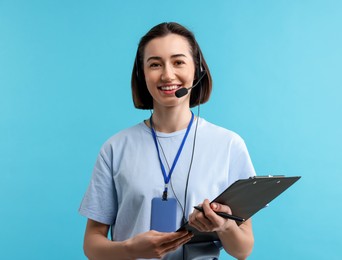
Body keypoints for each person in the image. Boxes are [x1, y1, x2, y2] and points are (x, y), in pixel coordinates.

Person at [79, 22, 256, 259]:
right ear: (142, 74)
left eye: (178, 62)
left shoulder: (229, 145)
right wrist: (130, 249)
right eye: (155, 64)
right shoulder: (115, 148)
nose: (167, 74)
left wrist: (223, 226)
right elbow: (91, 245)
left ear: (198, 69)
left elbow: (243, 249)